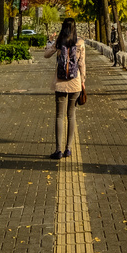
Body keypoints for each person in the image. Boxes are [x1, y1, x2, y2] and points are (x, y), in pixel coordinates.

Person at [43, 18, 86, 160]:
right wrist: (83, 81)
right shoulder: (80, 43)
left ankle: (58, 150)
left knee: (59, 116)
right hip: (75, 83)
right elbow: (82, 64)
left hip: (60, 83)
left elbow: (46, 55)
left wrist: (50, 42)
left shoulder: (59, 42)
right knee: (71, 115)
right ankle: (68, 149)